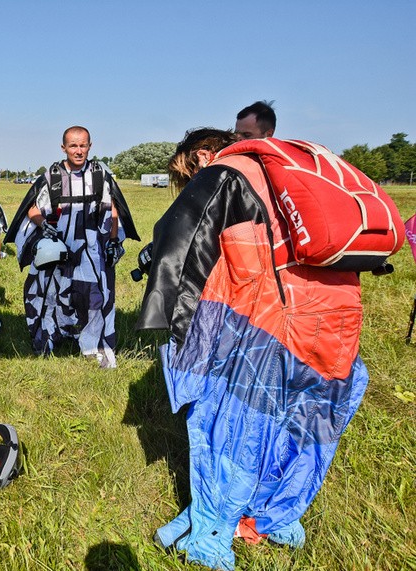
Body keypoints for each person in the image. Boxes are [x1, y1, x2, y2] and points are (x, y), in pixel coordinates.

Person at [136, 127, 369, 570]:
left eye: (186, 172)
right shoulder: (298, 175)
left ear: (203, 156)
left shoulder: (227, 170)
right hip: (339, 320)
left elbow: (179, 243)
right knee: (307, 427)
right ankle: (276, 517)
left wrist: (180, 337)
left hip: (275, 323)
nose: (186, 182)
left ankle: (211, 534)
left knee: (232, 427)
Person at [5, 126, 139, 368]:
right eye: (73, 146)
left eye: (83, 145)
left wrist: (112, 240)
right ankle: (49, 338)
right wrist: (43, 225)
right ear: (63, 147)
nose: (79, 151)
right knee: (48, 294)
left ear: (90, 146)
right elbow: (32, 207)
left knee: (96, 296)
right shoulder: (52, 177)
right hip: (55, 247)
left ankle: (93, 346)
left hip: (92, 249)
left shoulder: (99, 175)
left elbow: (113, 209)